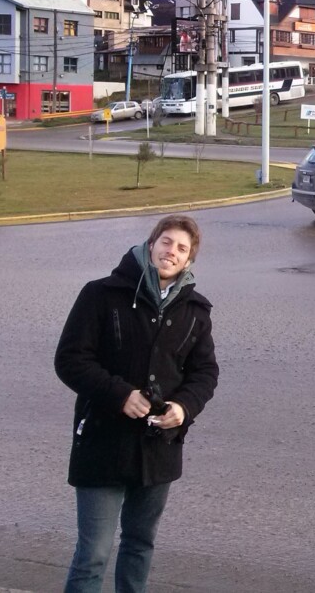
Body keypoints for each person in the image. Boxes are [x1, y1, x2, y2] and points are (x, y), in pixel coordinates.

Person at [55, 214, 219, 593]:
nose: (171, 251)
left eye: (181, 248)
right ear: (151, 246)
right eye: (166, 242)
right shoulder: (101, 294)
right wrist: (119, 395)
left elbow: (205, 373)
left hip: (157, 450)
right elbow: (70, 360)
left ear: (189, 260)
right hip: (102, 443)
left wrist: (183, 408)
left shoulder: (195, 311)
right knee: (93, 553)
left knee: (139, 546)